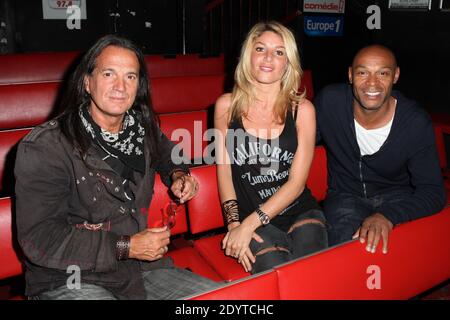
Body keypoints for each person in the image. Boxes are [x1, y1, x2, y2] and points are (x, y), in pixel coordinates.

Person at [14, 35, 220, 300]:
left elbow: (167, 154)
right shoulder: (46, 146)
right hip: (70, 277)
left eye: (131, 76)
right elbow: (41, 238)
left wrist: (178, 174)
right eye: (109, 73)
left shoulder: (142, 129)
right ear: (87, 82)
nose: (120, 86)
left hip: (141, 269)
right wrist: (127, 246)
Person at [214, 21, 328, 274]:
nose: (268, 58)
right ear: (248, 56)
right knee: (276, 273)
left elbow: (297, 183)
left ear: (288, 62)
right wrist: (235, 225)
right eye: (260, 49)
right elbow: (224, 172)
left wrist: (248, 225)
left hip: (298, 210)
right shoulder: (226, 107)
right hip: (250, 217)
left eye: (279, 52)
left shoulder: (302, 110)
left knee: (312, 272)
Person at [314, 44, 446, 254]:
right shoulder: (330, 103)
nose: (372, 83)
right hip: (344, 197)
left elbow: (433, 192)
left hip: (397, 198)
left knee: (398, 256)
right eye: (362, 72)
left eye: (383, 73)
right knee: (344, 257)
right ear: (350, 75)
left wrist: (389, 216)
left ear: (395, 75)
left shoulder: (414, 122)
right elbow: (295, 144)